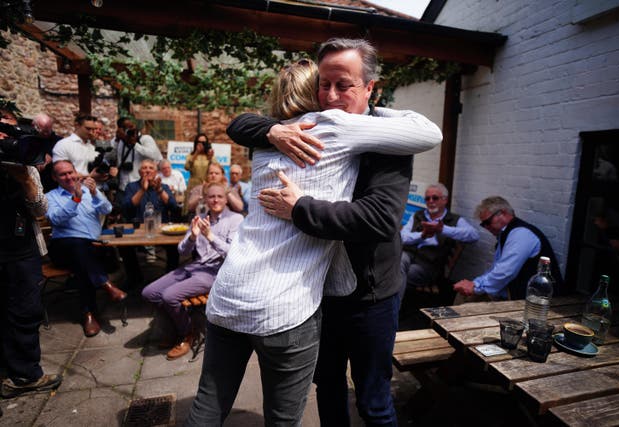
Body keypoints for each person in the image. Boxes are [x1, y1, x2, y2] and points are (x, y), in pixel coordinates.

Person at [185, 55, 441, 425]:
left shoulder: (287, 139)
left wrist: (300, 206)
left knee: (372, 401)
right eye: (325, 85)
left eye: (344, 85)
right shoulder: (313, 128)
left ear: (369, 87)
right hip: (301, 298)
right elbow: (240, 123)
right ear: (314, 90)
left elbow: (382, 218)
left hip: (353, 294)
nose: (333, 95)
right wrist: (272, 130)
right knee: (314, 398)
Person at [142, 182, 243, 360]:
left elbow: (232, 254)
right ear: (205, 199)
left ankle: (187, 334)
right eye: (211, 196)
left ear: (226, 199)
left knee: (169, 296)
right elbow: (182, 251)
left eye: (219, 196)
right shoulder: (200, 218)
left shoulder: (235, 219)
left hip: (215, 272)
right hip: (194, 267)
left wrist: (210, 236)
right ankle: (175, 327)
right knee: (149, 292)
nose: (215, 200)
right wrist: (193, 236)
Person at [0, 161, 62, 398]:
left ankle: (25, 375)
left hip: (22, 252)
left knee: (25, 313)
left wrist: (25, 179)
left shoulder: (25, 168)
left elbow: (40, 210)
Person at [45, 160, 127, 336]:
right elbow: (55, 219)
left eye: (70, 172)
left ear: (76, 172)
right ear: (55, 177)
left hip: (88, 248)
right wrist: (75, 198)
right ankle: (105, 284)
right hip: (62, 248)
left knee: (82, 260)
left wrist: (95, 192)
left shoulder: (90, 192)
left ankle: (88, 314)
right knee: (77, 246)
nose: (69, 177)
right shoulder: (51, 196)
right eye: (63, 174)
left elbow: (108, 208)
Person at [452, 196, 564, 301]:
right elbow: (496, 269)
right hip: (515, 296)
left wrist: (475, 288)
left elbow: (505, 272)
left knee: (466, 301)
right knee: (463, 297)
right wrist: (475, 284)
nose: (486, 227)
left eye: (487, 222)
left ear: (503, 213)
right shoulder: (506, 234)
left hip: (534, 302)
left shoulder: (520, 234)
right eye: (483, 225)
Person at [400, 183, 478, 296]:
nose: (431, 201)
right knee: (396, 265)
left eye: (435, 198)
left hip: (428, 266)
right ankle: (391, 307)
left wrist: (443, 229)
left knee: (397, 275)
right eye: (427, 198)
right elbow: (402, 237)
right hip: (408, 256)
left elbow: (474, 235)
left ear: (445, 200)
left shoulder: (454, 220)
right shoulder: (418, 215)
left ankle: (390, 308)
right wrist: (422, 235)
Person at [120, 159, 180, 286]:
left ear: (156, 171)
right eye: (144, 168)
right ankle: (135, 278)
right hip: (137, 229)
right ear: (139, 171)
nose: (147, 170)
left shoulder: (163, 187)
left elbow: (174, 207)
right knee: (123, 246)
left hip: (161, 230)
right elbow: (126, 208)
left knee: (174, 246)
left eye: (150, 168)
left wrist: (159, 191)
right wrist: (142, 190)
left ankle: (171, 277)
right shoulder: (131, 186)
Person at [114, 117, 162, 192]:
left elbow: (156, 156)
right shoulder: (120, 142)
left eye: (132, 126)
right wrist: (117, 140)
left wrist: (135, 144)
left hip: (141, 186)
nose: (130, 129)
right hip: (123, 187)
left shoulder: (145, 139)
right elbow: (111, 157)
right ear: (121, 129)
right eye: (127, 128)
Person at [51, 113, 103, 179]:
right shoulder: (63, 145)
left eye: (93, 129)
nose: (91, 132)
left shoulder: (92, 147)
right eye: (88, 129)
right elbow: (60, 173)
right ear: (77, 125)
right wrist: (90, 176)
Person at [183, 133, 213, 216]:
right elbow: (186, 167)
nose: (201, 144)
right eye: (199, 142)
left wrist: (210, 159)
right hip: (193, 184)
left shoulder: (210, 156)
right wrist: (196, 153)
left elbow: (215, 168)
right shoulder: (190, 156)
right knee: (191, 210)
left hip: (205, 185)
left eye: (204, 142)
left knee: (205, 210)